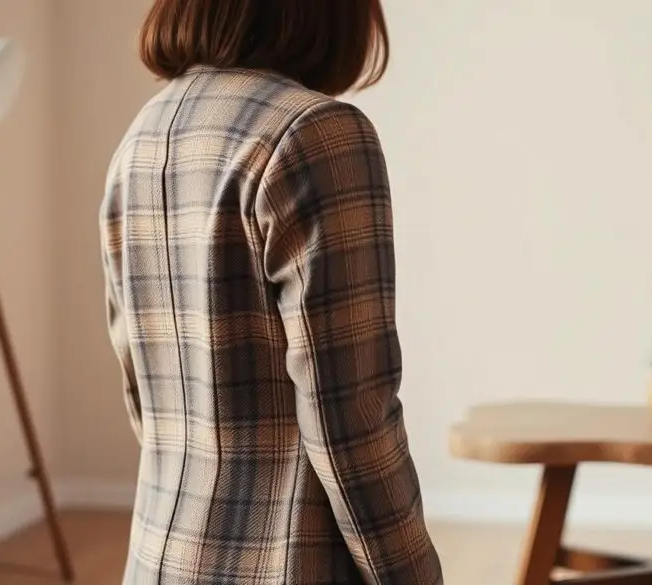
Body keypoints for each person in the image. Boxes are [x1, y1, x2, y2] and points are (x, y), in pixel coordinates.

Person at [99, 1, 443, 583]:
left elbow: (140, 385)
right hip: (289, 562)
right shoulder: (318, 132)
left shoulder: (142, 135)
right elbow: (350, 418)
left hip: (159, 556)